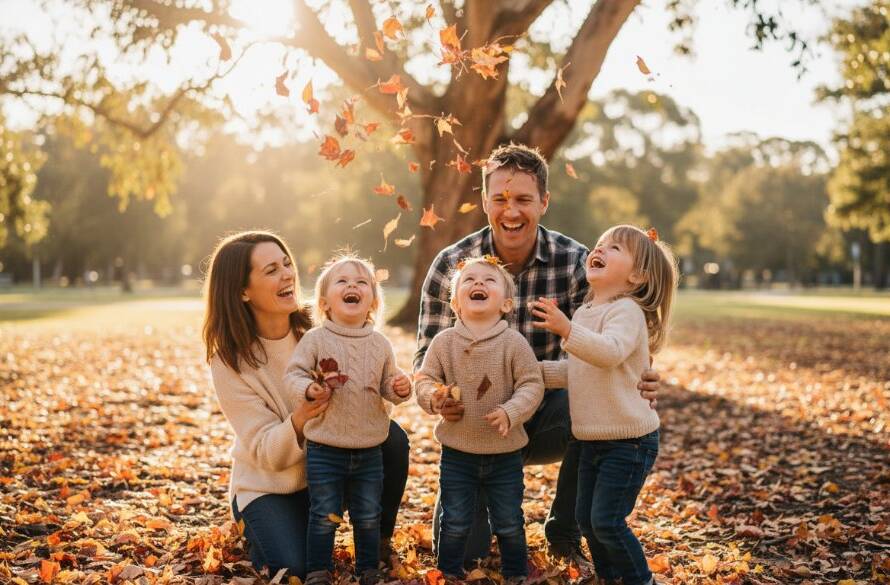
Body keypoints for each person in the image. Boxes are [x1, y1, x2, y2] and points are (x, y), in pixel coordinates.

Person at [414, 143, 660, 563]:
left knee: (590, 404)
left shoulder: (576, 263)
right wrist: (435, 395)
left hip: (548, 415)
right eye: (501, 199)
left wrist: (643, 372)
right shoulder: (452, 265)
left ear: (544, 201)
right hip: (474, 427)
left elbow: (613, 340)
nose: (512, 212)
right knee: (464, 552)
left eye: (524, 199)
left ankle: (565, 527)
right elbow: (425, 365)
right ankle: (484, 500)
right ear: (485, 202)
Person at [203, 232, 410, 580]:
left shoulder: (320, 329)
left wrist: (392, 386)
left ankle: (376, 541)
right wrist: (301, 418)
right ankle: (257, 524)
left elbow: (368, 395)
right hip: (270, 485)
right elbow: (265, 452)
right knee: (295, 570)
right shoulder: (229, 362)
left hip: (332, 465)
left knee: (391, 439)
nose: (288, 274)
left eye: (286, 263)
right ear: (242, 291)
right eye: (271, 269)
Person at [532, 225, 678, 585]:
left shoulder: (626, 311)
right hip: (590, 440)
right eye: (599, 244)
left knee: (607, 521)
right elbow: (578, 370)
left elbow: (609, 353)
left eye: (614, 248)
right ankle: (609, 577)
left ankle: (639, 579)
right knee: (586, 519)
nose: (599, 250)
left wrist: (567, 331)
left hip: (627, 441)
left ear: (636, 275)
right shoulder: (585, 312)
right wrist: (533, 373)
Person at [284, 255, 412, 585]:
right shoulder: (315, 339)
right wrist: (309, 389)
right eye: (342, 281)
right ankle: (318, 571)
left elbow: (388, 386)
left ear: (373, 301)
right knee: (324, 514)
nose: (352, 285)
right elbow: (293, 375)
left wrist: (399, 388)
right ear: (325, 302)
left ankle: (367, 569)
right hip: (325, 446)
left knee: (368, 514)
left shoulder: (380, 344)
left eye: (362, 282)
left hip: (370, 447)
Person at [415, 256, 544, 580]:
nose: (478, 284)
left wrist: (511, 411)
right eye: (469, 280)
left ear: (506, 304)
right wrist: (434, 397)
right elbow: (425, 379)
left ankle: (515, 573)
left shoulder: (513, 343)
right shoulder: (444, 343)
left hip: (505, 453)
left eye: (489, 280)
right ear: (455, 302)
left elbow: (531, 382)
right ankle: (448, 571)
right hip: (458, 453)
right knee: (455, 519)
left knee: (509, 521)